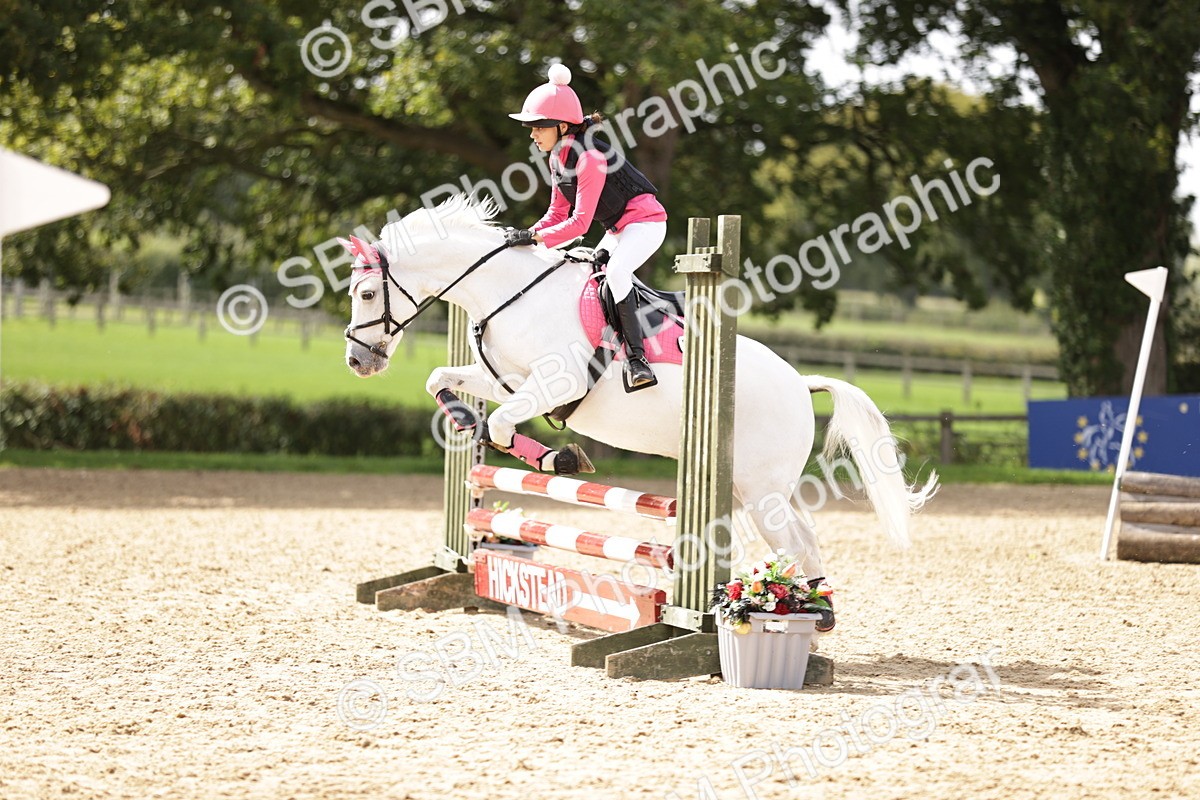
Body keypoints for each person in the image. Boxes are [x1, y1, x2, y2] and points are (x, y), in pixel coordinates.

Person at [506, 63, 667, 391]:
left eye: (539, 127)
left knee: (616, 273)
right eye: (532, 127)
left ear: (562, 126)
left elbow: (579, 224)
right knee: (588, 274)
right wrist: (525, 236)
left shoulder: (589, 158)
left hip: (646, 224)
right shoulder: (557, 158)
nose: (533, 134)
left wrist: (536, 237)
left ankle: (638, 360)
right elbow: (556, 214)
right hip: (618, 229)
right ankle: (603, 345)